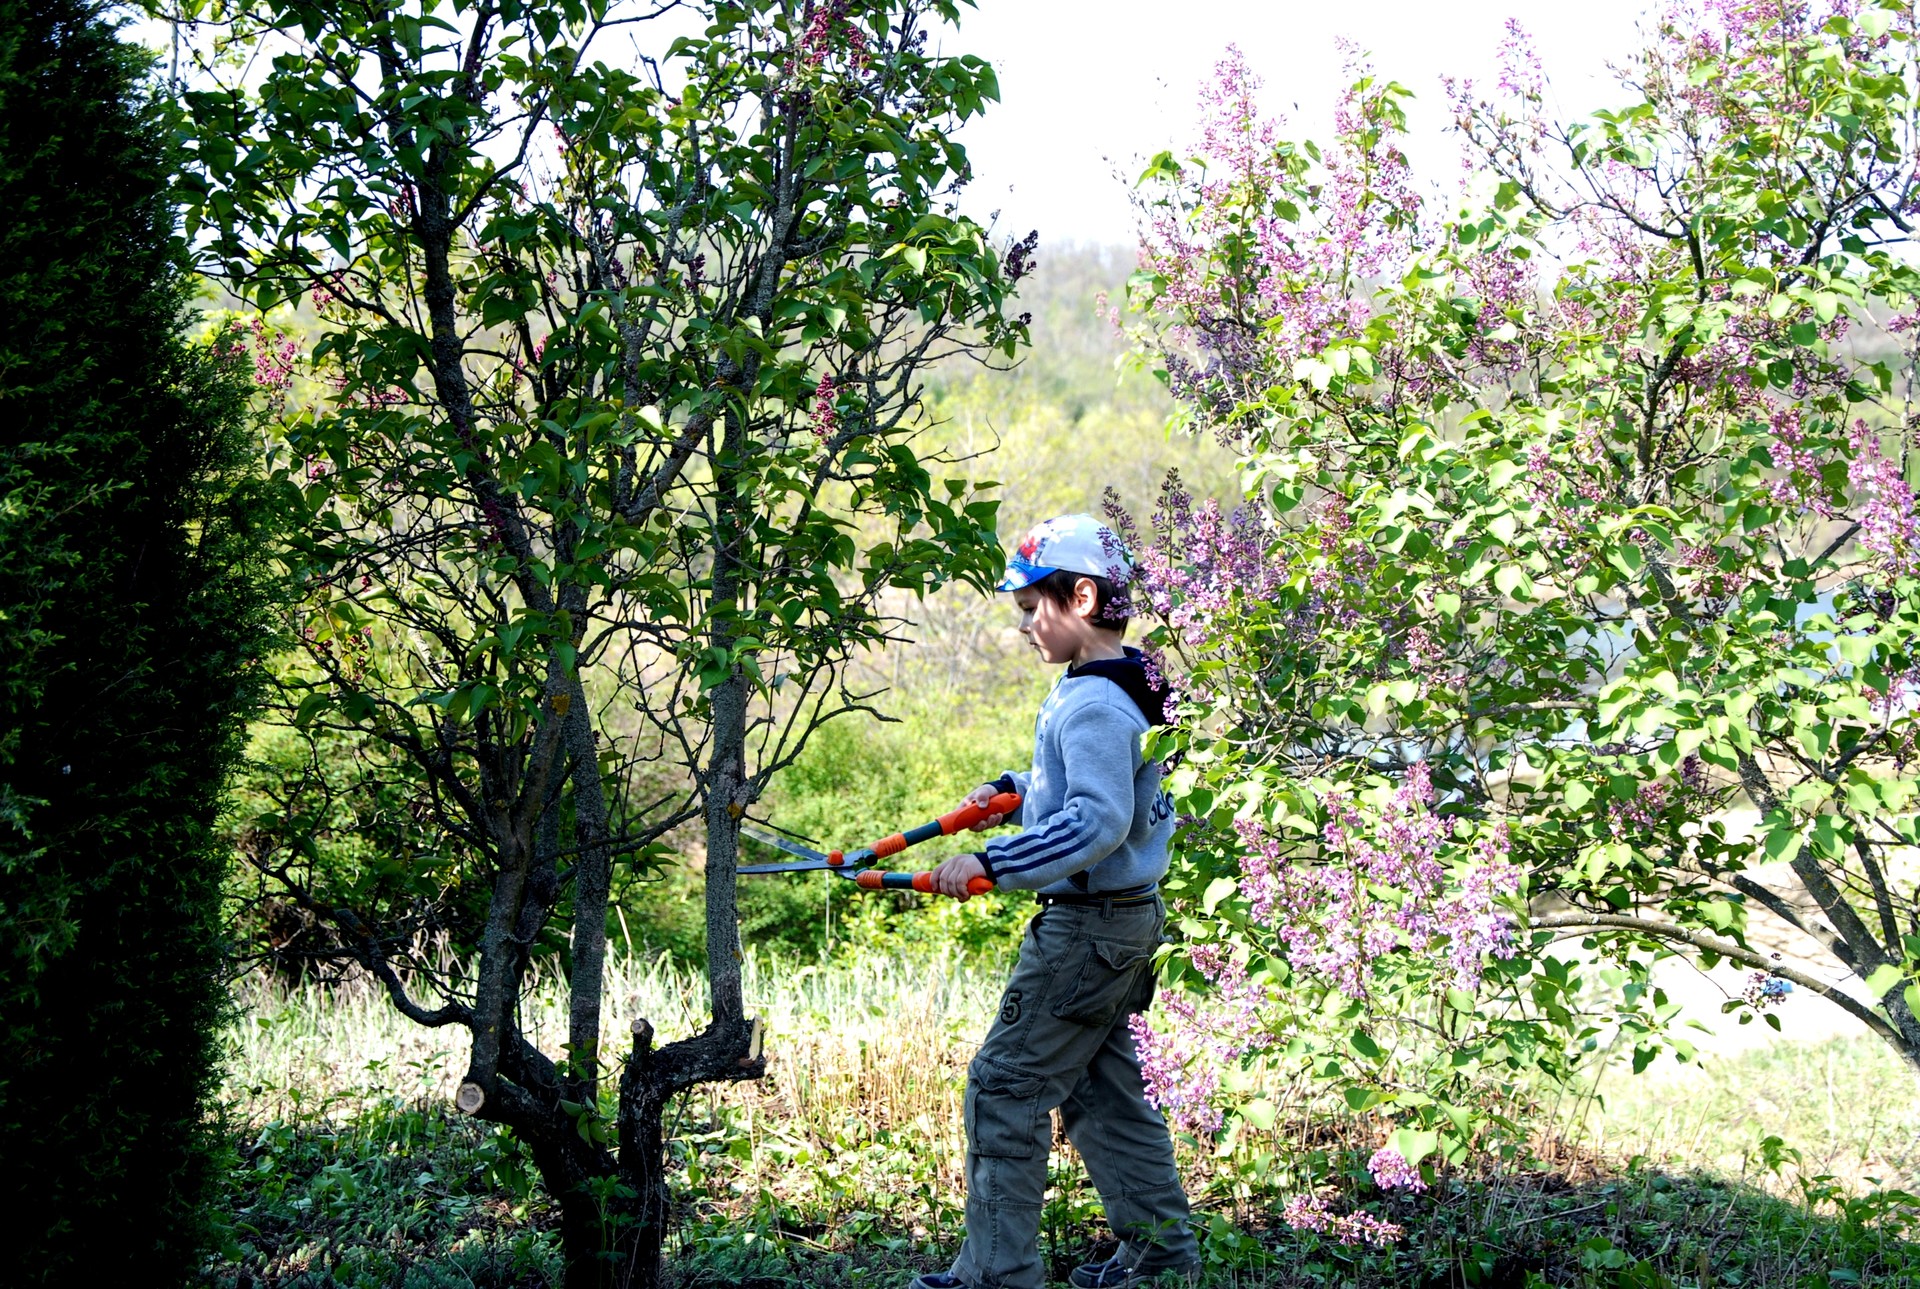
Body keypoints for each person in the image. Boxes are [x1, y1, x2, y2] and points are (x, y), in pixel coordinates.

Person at [911, 514, 1200, 1289]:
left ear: (1081, 596)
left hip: (1086, 929)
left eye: (1034, 606)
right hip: (1124, 923)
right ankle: (1162, 1260)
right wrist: (1020, 792)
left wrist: (993, 859)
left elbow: (1099, 819)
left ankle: (996, 1275)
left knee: (1003, 1086)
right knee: (1103, 1092)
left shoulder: (1094, 703)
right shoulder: (1130, 678)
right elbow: (1100, 786)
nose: (1026, 624)